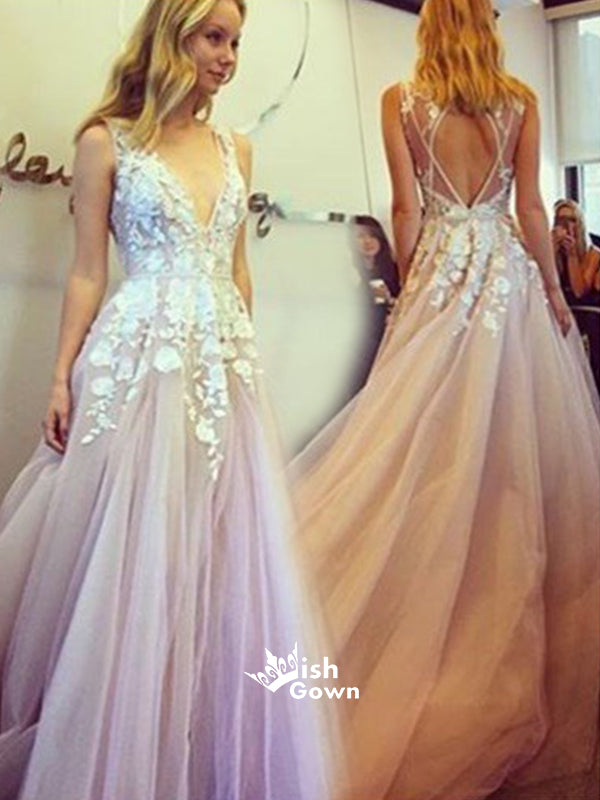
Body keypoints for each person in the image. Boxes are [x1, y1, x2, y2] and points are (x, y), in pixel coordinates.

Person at [0, 2, 333, 799]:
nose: (228, 57)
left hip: (221, 371)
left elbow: (237, 269)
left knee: (215, 557)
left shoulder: (235, 148)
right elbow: (88, 270)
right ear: (171, 34)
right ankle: (112, 749)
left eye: (236, 42)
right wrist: (60, 375)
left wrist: (242, 363)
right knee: (128, 555)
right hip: (137, 364)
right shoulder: (105, 141)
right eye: (214, 37)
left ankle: (196, 746)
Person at [290, 0, 600, 798]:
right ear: (486, 23)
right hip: (507, 278)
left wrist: (414, 288)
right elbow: (530, 210)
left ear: (431, 20)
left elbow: (406, 209)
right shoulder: (520, 100)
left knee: (423, 446)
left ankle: (436, 602)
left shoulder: (400, 100)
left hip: (443, 279)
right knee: (519, 459)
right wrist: (553, 292)